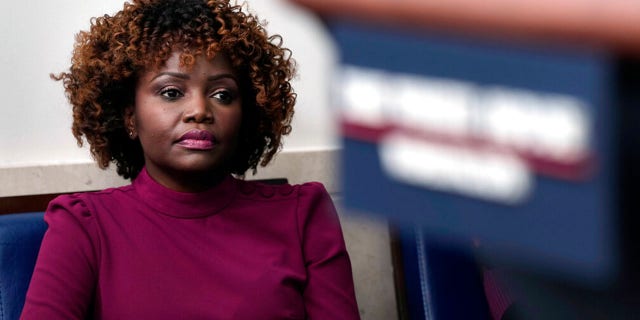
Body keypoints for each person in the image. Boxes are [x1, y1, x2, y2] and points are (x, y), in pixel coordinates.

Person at [20, 0, 360, 319]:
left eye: (222, 95)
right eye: (171, 92)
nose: (199, 110)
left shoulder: (304, 214)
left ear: (247, 113)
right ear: (129, 116)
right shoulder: (83, 226)